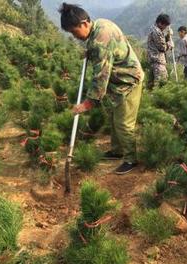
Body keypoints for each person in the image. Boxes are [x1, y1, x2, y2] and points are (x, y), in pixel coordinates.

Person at [59, 3, 144, 175]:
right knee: (114, 117)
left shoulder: (100, 39)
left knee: (124, 123)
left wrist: (87, 104)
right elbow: (102, 49)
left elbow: (101, 76)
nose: (75, 37)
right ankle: (116, 151)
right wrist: (89, 51)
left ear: (84, 23)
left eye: (75, 32)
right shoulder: (99, 24)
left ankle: (130, 159)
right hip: (118, 80)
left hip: (128, 81)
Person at [147, 14, 173, 88]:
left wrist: (167, 37)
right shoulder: (157, 32)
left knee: (152, 86)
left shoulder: (153, 29)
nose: (165, 28)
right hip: (158, 62)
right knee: (162, 85)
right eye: (165, 25)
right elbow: (163, 48)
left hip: (153, 61)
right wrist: (169, 43)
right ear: (160, 23)